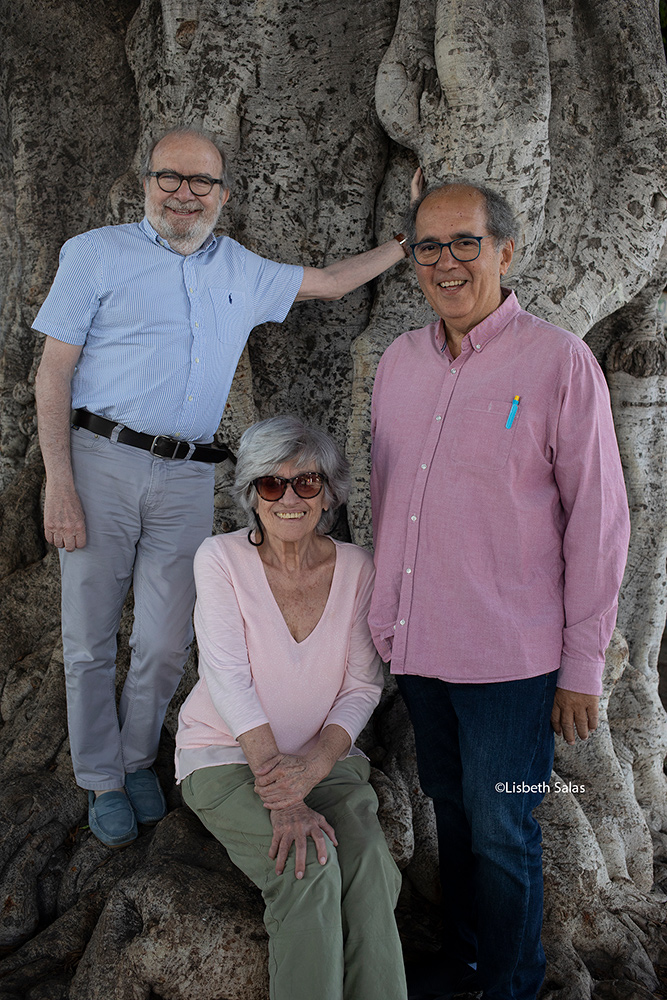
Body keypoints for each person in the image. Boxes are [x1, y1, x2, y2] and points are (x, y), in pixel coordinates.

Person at [32, 125, 413, 848]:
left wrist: (405, 239)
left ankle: (139, 760)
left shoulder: (240, 267)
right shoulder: (93, 255)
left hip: (186, 474)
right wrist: (59, 483)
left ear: (223, 195)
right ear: (144, 182)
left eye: (200, 182)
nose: (183, 193)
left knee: (166, 643)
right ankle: (100, 780)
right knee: (88, 641)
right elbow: (53, 373)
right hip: (98, 461)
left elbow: (330, 283)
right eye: (169, 178)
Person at [369, 180, 630, 1000]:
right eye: (428, 247)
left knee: (505, 830)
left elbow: (598, 519)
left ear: (505, 251)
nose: (446, 263)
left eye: (465, 243)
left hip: (512, 663)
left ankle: (512, 983)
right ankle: (466, 959)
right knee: (447, 810)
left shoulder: (558, 361)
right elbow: (387, 500)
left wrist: (581, 664)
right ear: (412, 261)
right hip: (417, 649)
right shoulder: (398, 362)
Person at [175, 415, 407, 1000]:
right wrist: (282, 794)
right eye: (270, 484)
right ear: (251, 494)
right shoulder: (219, 558)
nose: (288, 498)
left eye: (305, 483)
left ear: (327, 493)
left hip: (326, 762)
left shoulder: (358, 568)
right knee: (308, 871)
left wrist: (315, 768)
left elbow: (361, 684)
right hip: (227, 759)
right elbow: (226, 678)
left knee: (372, 871)